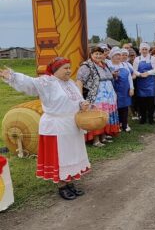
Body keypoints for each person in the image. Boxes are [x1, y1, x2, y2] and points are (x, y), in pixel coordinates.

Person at [1, 58, 91, 200]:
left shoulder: (71, 83)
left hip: (72, 124)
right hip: (56, 126)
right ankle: (62, 186)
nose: (68, 70)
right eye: (65, 68)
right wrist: (12, 76)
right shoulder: (46, 82)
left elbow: (77, 100)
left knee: (72, 153)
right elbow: (29, 83)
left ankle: (69, 182)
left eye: (69, 67)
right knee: (61, 155)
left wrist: (83, 104)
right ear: (55, 70)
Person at [77, 47, 120, 147]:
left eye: (100, 54)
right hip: (96, 96)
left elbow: (107, 78)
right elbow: (79, 80)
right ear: (91, 55)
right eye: (96, 54)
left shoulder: (104, 65)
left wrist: (113, 75)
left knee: (104, 116)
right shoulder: (86, 66)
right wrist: (80, 97)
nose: (98, 56)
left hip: (108, 97)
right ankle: (96, 140)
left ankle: (103, 136)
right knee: (96, 116)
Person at [108, 47, 134, 132]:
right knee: (116, 108)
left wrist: (131, 88)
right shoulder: (109, 66)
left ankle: (125, 124)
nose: (118, 57)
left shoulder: (124, 65)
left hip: (125, 90)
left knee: (125, 107)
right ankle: (118, 124)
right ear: (112, 57)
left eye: (119, 55)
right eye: (116, 55)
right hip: (115, 90)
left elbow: (129, 77)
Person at [132, 42, 155, 124]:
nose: (144, 51)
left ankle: (151, 118)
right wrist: (140, 74)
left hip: (150, 83)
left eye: (146, 49)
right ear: (140, 50)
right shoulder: (137, 59)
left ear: (148, 50)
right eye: (143, 49)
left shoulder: (152, 58)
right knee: (141, 102)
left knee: (151, 102)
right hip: (141, 82)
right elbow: (134, 70)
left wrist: (148, 73)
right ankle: (143, 118)